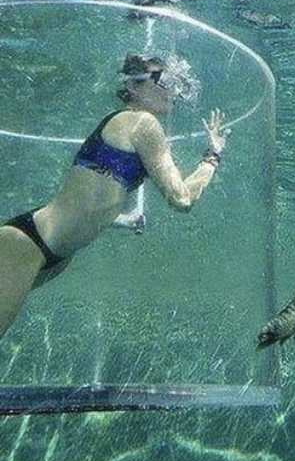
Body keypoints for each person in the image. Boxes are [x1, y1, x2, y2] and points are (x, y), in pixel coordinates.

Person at [0, 52, 228, 339]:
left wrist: (120, 219)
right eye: (161, 79)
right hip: (28, 243)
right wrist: (212, 157)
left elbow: (92, 197)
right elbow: (181, 199)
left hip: (51, 251)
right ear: (133, 86)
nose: (170, 88)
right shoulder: (142, 123)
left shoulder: (133, 126)